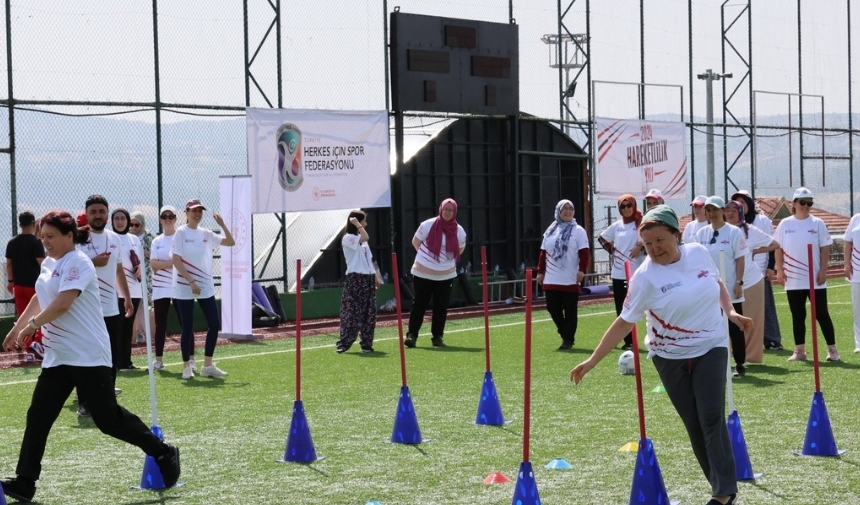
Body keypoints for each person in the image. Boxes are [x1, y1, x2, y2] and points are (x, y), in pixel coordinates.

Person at [570, 205, 752, 505]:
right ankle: (722, 488)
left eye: (660, 240)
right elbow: (624, 321)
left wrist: (731, 313)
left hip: (711, 346)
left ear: (676, 236)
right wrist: (592, 360)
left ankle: (722, 494)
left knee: (711, 417)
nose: (654, 248)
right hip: (668, 356)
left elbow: (716, 281)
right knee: (694, 424)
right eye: (648, 243)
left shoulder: (697, 253)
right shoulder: (645, 278)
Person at [0, 210, 180, 503]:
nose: (45, 242)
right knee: (38, 417)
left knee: (108, 419)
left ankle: (162, 451)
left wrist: (31, 327)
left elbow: (63, 304)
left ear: (69, 236)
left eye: (51, 237)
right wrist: (16, 327)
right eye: (42, 237)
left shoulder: (79, 262)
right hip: (58, 358)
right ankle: (24, 482)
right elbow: (39, 297)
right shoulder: (48, 262)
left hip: (88, 356)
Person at [78, 195, 133, 416]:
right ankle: (85, 403)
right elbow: (70, 268)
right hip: (85, 310)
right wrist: (93, 262)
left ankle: (107, 399)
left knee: (110, 355)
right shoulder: (78, 239)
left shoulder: (114, 238)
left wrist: (126, 297)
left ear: (106, 214)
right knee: (86, 355)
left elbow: (119, 269)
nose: (98, 215)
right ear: (87, 214)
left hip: (111, 307)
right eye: (93, 212)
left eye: (101, 211)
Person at [172, 198, 235, 379]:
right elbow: (176, 260)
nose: (197, 214)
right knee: (187, 327)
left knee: (214, 323)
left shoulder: (206, 233)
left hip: (205, 287)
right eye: (194, 211)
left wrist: (222, 224)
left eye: (200, 211)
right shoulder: (181, 233)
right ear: (186, 213)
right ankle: (186, 367)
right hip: (185, 286)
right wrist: (191, 281)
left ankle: (207, 365)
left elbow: (230, 242)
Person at [774, 187, 839, 362]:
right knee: (798, 315)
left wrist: (823, 270)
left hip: (815, 278)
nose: (806, 206)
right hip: (793, 278)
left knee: (821, 313)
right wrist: (779, 270)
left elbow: (825, 248)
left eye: (809, 202)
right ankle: (799, 351)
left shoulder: (817, 223)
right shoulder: (785, 224)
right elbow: (777, 248)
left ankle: (832, 350)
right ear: (793, 204)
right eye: (802, 202)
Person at [695, 196, 748, 376]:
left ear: (723, 211)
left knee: (735, 325)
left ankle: (740, 363)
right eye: (708, 210)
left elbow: (740, 258)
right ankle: (715, 364)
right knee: (711, 326)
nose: (711, 213)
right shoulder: (701, 233)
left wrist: (739, 282)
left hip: (730, 287)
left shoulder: (733, 232)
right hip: (708, 290)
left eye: (715, 210)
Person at [404, 198, 467, 348]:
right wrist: (427, 258)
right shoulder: (428, 224)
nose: (447, 212)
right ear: (441, 209)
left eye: (451, 210)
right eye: (445, 209)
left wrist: (445, 262)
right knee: (419, 303)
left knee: (441, 306)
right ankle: (412, 335)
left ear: (455, 212)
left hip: (446, 274)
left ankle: (437, 337)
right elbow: (415, 242)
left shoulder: (459, 231)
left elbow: (460, 250)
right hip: (423, 272)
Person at [725, 200, 779, 364]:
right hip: (727, 283)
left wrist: (755, 250)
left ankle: (751, 357)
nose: (730, 213)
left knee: (749, 320)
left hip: (751, 281)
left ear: (741, 213)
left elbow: (775, 244)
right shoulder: (721, 232)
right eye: (727, 210)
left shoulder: (749, 230)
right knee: (728, 320)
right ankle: (729, 354)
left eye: (734, 210)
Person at [536, 199, 591, 350]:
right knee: (552, 307)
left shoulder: (578, 230)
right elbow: (543, 253)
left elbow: (584, 253)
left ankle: (568, 339)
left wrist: (581, 270)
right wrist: (540, 272)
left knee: (570, 310)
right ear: (558, 211)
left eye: (570, 208)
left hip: (570, 277)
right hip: (551, 276)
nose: (567, 211)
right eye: (564, 209)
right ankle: (564, 332)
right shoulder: (551, 230)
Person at [597, 194, 644, 351]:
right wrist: (612, 251)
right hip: (618, 273)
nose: (626, 209)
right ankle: (628, 341)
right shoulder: (617, 226)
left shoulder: (640, 223)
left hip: (637, 272)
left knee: (640, 305)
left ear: (634, 206)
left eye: (629, 205)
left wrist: (640, 246)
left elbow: (647, 238)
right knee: (622, 308)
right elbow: (602, 238)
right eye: (622, 207)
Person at [336, 210, 381, 353]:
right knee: (352, 311)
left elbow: (369, 260)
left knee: (370, 312)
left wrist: (375, 276)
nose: (366, 224)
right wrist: (356, 224)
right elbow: (366, 237)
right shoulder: (348, 238)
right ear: (356, 222)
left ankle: (367, 344)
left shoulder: (363, 242)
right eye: (363, 221)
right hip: (355, 278)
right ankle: (344, 343)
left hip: (367, 278)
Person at [5, 211, 46, 359]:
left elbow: (9, 265)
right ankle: (39, 344)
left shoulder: (12, 242)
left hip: (19, 285)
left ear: (20, 224)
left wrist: (11, 282)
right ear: (34, 223)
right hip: (34, 285)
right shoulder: (36, 242)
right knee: (39, 315)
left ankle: (26, 348)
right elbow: (42, 263)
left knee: (23, 316)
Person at [111, 208, 143, 370]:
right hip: (117, 290)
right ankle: (114, 362)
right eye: (116, 218)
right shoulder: (110, 238)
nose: (120, 221)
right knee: (117, 326)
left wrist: (140, 268)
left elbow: (139, 260)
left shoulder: (134, 239)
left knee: (128, 326)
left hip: (135, 288)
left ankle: (126, 361)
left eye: (122, 218)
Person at [150, 205, 179, 371]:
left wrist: (163, 265)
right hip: (160, 288)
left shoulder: (180, 237)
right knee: (160, 325)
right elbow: (153, 264)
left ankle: (190, 360)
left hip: (178, 286)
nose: (167, 219)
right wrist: (171, 264)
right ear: (160, 219)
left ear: (175, 218)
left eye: (170, 216)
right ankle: (159, 361)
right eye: (164, 216)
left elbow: (181, 262)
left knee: (185, 323)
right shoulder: (157, 241)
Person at [130, 210, 155, 343]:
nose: (133, 227)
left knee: (146, 304)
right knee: (134, 304)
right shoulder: (127, 236)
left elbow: (156, 254)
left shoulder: (149, 236)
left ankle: (148, 334)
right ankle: (136, 333)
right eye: (132, 224)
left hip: (146, 276)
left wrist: (146, 253)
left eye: (137, 225)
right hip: (131, 275)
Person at [843, 217, 860, 353]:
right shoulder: (856, 219)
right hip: (857, 272)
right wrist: (847, 264)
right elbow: (848, 243)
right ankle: (859, 343)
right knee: (858, 310)